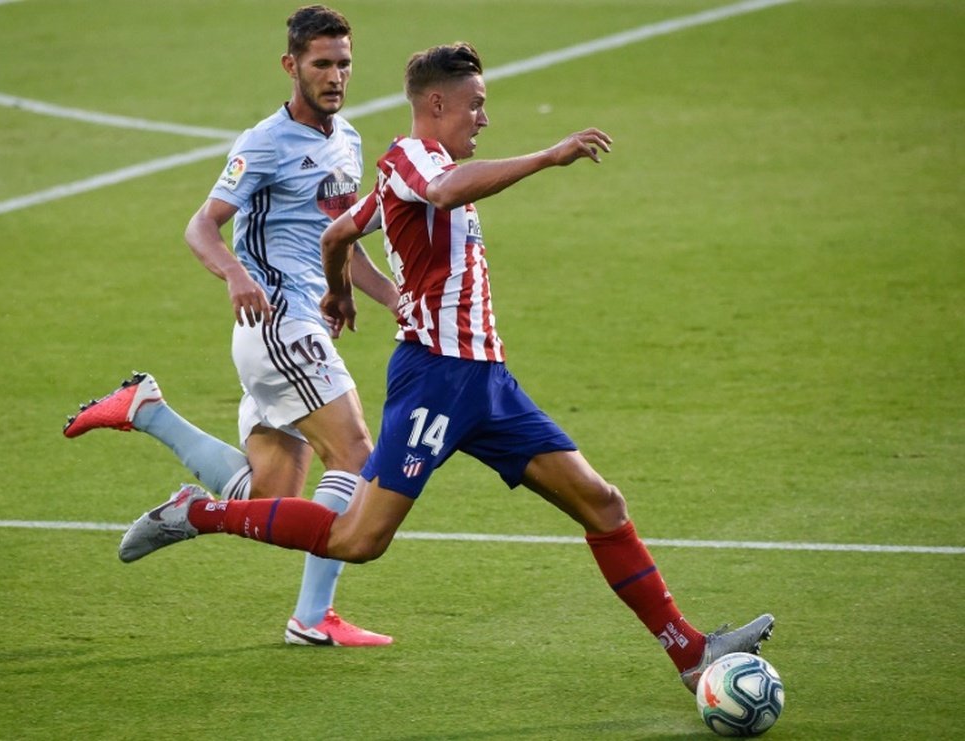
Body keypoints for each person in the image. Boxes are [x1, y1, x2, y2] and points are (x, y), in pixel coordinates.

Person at [117, 41, 773, 693]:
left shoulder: (403, 178)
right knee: (357, 539)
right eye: (476, 106)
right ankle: (198, 513)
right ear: (437, 103)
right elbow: (441, 190)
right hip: (434, 377)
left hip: (489, 382)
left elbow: (337, 233)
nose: (483, 119)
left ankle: (690, 651)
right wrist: (548, 156)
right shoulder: (410, 160)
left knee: (602, 502)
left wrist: (340, 288)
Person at [65, 5, 397, 647]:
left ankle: (150, 413)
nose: (334, 76)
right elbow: (201, 225)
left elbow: (339, 242)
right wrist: (235, 275)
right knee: (356, 455)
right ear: (291, 65)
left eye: (344, 64)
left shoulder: (348, 140)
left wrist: (389, 297)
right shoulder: (264, 142)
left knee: (272, 493)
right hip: (275, 322)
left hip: (301, 326)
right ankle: (311, 617)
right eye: (321, 63)